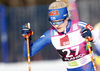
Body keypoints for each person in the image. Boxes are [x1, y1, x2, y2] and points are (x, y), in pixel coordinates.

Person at [22, 1, 96, 71]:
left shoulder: (80, 26)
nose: (56, 26)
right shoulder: (51, 34)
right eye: (53, 23)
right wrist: (27, 38)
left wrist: (92, 37)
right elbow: (28, 53)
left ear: (67, 17)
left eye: (59, 22)